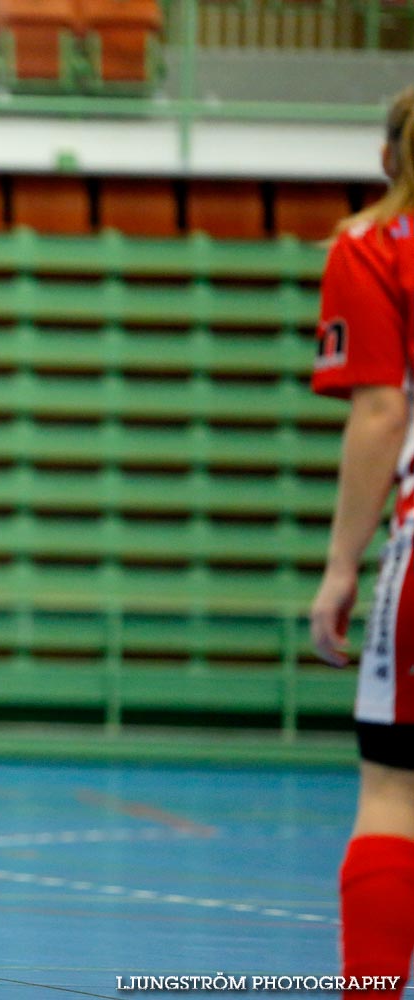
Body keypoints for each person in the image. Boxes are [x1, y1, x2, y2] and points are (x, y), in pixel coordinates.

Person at [308, 84, 414, 1000]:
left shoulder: (371, 245)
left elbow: (381, 410)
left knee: (392, 792)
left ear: (389, 157)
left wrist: (343, 566)